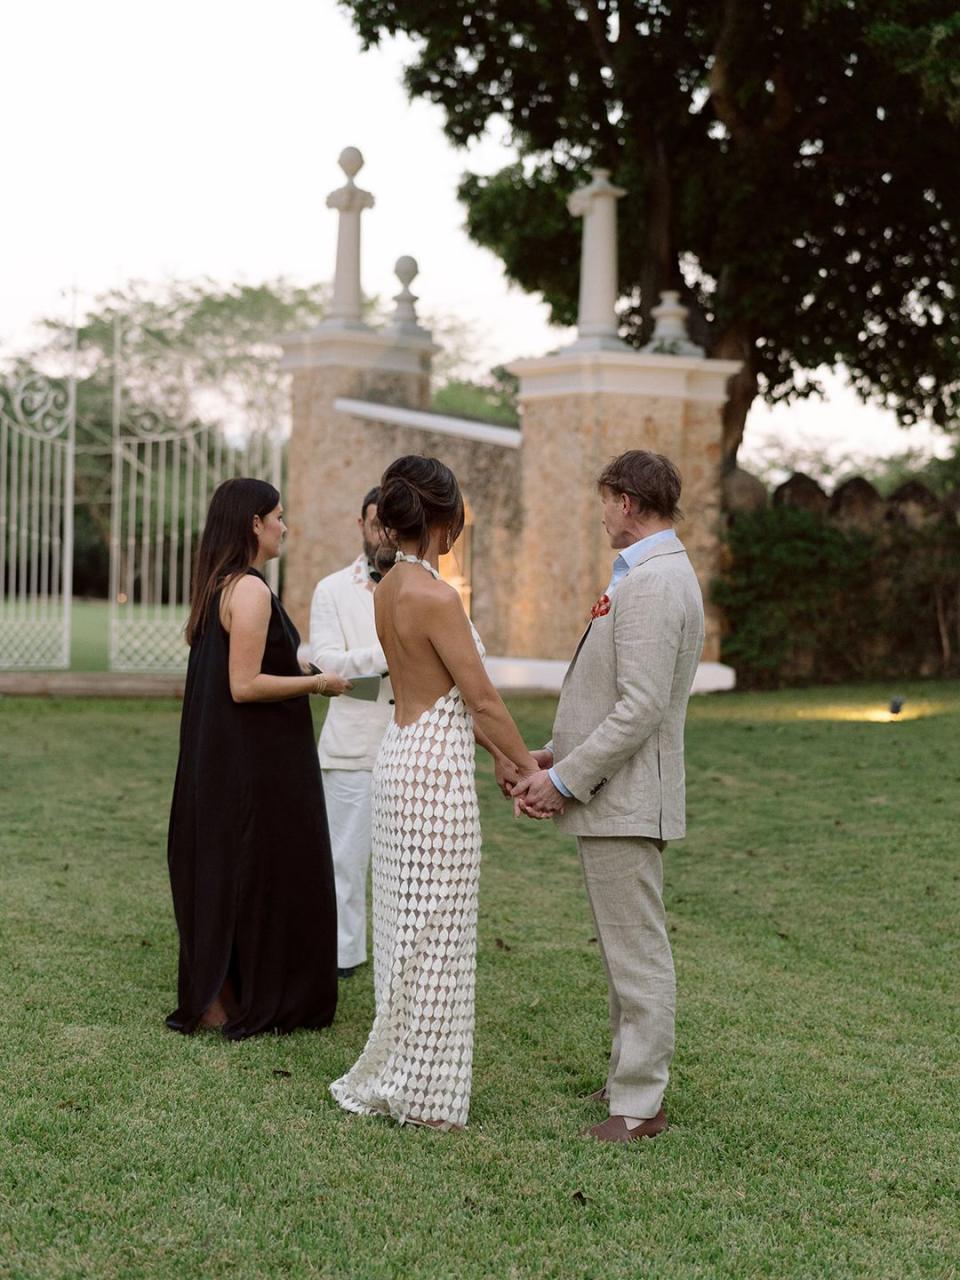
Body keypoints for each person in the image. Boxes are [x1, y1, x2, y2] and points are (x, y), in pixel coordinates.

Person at [330, 455, 539, 1130]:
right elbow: (479, 698)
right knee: (437, 933)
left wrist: (508, 761)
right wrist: (526, 768)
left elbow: (448, 699)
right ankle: (427, 1095)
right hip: (433, 774)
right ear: (441, 517)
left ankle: (408, 1072)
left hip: (402, 754)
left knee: (408, 931)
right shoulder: (436, 596)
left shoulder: (389, 587)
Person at [511, 450, 704, 1143]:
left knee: (637, 952)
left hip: (626, 799)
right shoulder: (647, 574)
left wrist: (564, 781)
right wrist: (557, 754)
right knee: (624, 949)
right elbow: (613, 698)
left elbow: (641, 706)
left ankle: (639, 1106)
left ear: (626, 500)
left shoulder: (653, 581)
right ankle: (629, 1076)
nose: (600, 515)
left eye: (604, 501)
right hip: (615, 792)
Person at [166, 477, 350, 1039]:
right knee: (258, 867)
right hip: (253, 761)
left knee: (239, 867)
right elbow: (243, 685)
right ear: (253, 523)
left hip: (235, 754)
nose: (284, 526)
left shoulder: (220, 585)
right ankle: (231, 998)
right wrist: (316, 685)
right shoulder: (246, 590)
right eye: (277, 516)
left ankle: (225, 994)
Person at [307, 487, 394, 980]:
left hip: (410, 743)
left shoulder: (421, 585)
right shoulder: (332, 589)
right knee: (345, 859)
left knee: (404, 864)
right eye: (375, 522)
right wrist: (386, 659)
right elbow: (326, 663)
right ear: (360, 523)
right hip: (352, 746)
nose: (382, 532)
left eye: (390, 524)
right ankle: (342, 956)